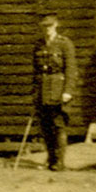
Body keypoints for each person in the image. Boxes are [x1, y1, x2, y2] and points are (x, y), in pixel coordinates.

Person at [32, 12, 78, 171]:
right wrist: (35, 92)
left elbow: (71, 70)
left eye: (50, 26)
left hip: (58, 90)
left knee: (58, 125)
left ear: (56, 25)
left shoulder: (65, 44)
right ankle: (50, 158)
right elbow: (36, 71)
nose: (47, 29)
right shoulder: (39, 45)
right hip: (42, 91)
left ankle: (60, 161)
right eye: (44, 26)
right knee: (46, 127)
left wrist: (68, 91)